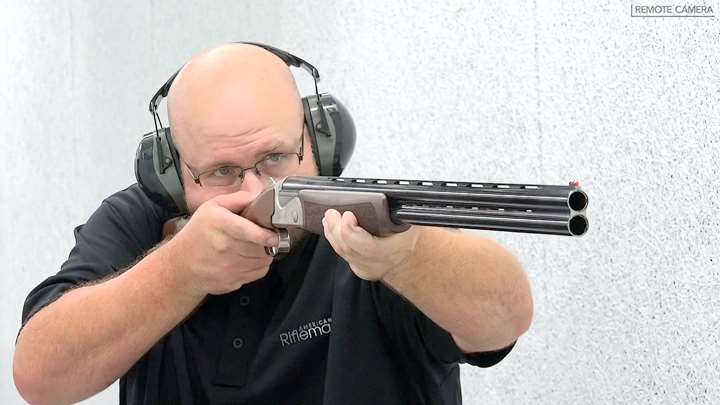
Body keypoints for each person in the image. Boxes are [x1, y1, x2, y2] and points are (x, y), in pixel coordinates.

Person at [13, 43, 534, 405]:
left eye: (275, 160)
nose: (255, 192)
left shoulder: (368, 222)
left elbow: (506, 315)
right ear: (171, 175)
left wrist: (410, 257)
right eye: (221, 172)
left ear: (318, 142)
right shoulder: (139, 222)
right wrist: (177, 274)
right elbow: (39, 376)